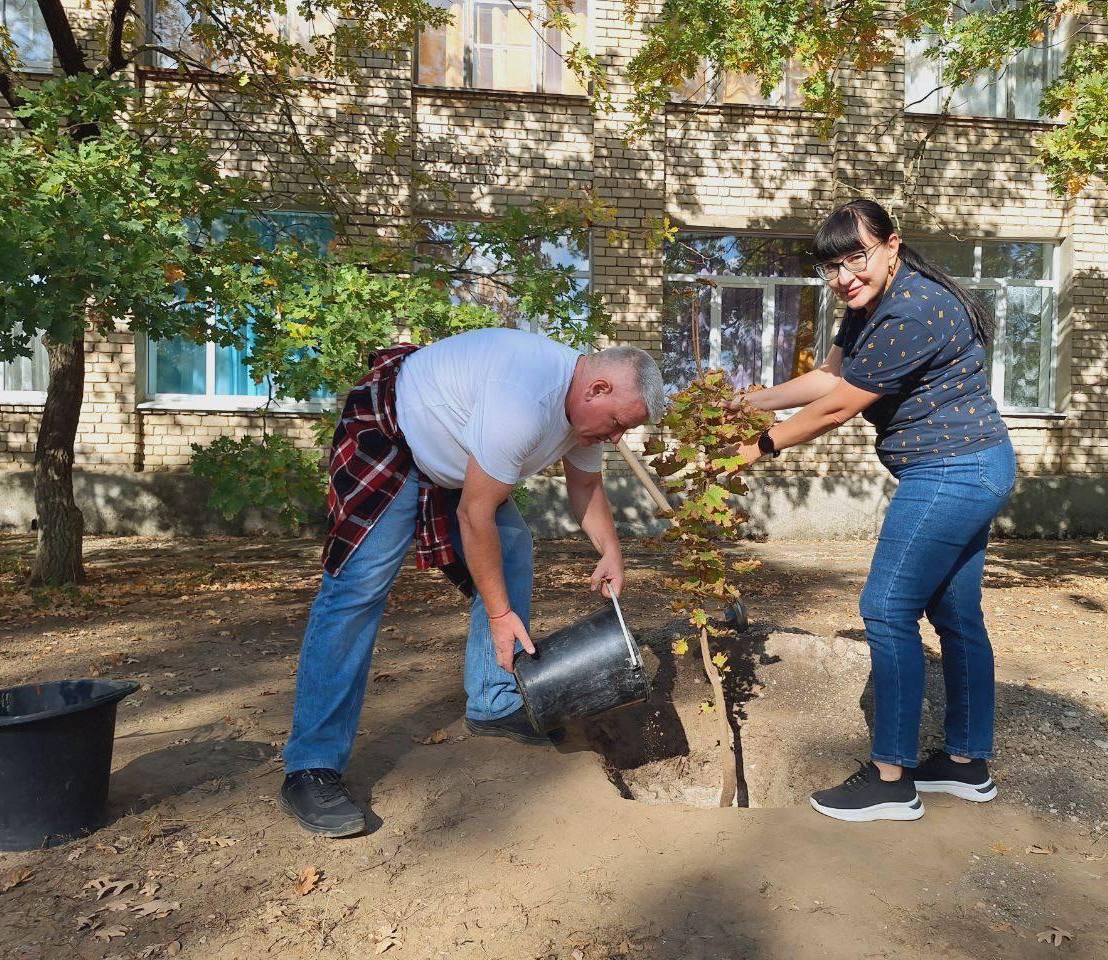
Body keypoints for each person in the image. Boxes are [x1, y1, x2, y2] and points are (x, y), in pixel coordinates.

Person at [279, 327, 665, 837]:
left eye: (625, 431)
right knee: (356, 592)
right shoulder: (525, 400)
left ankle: (493, 700)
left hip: (456, 463)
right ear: (597, 389)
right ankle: (311, 767)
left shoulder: (584, 419)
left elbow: (586, 485)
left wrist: (611, 551)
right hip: (391, 439)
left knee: (513, 549)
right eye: (618, 424)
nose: (616, 438)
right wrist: (501, 616)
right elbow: (475, 514)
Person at [734, 199, 1016, 823]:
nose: (844, 276)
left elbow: (839, 408)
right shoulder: (871, 306)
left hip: (952, 470)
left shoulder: (913, 310)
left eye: (855, 257)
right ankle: (967, 765)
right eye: (832, 267)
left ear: (892, 244)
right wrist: (755, 401)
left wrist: (757, 446)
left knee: (885, 608)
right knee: (955, 612)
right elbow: (828, 379)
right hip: (972, 466)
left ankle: (892, 780)